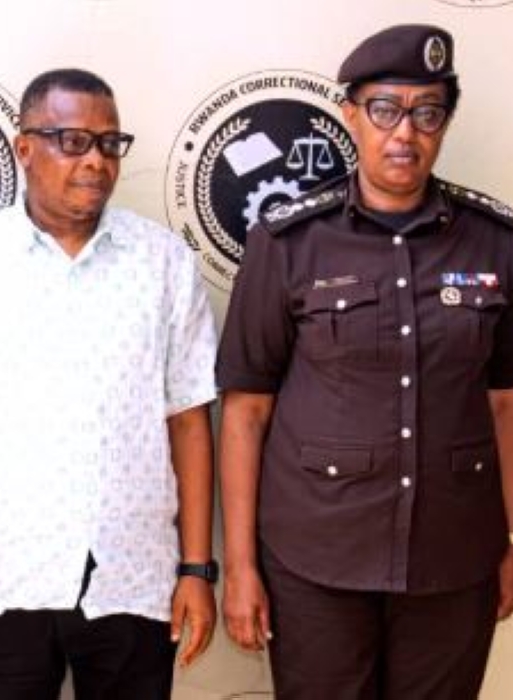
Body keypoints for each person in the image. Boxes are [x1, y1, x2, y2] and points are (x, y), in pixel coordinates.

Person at [217, 23, 513, 700]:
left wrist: (505, 540)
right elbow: (245, 411)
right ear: (350, 113)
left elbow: (502, 402)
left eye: (426, 113)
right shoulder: (289, 242)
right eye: (384, 109)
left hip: (453, 559)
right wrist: (238, 567)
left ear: (443, 123)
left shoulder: (494, 243)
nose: (402, 133)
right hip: (315, 559)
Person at [0, 68, 219, 700]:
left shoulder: (162, 263)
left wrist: (195, 569)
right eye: (72, 141)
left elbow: (189, 420)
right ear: (24, 147)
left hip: (135, 580)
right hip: (2, 581)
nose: (95, 162)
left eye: (109, 144)